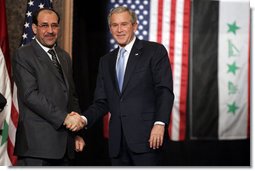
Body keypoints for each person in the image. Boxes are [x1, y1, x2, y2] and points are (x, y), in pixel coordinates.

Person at [83, 6, 174, 166]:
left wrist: (160, 123)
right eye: (114, 25)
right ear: (110, 28)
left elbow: (164, 91)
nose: (119, 30)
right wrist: (83, 119)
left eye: (124, 24)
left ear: (135, 26)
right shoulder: (106, 61)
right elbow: (102, 102)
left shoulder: (154, 51)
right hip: (117, 145)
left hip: (148, 140)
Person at [12, 8, 86, 166]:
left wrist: (77, 131)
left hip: (65, 146)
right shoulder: (23, 55)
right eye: (44, 25)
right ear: (34, 28)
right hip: (37, 147)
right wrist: (65, 118)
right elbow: (30, 95)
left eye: (54, 25)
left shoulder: (64, 56)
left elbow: (70, 96)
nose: (50, 31)